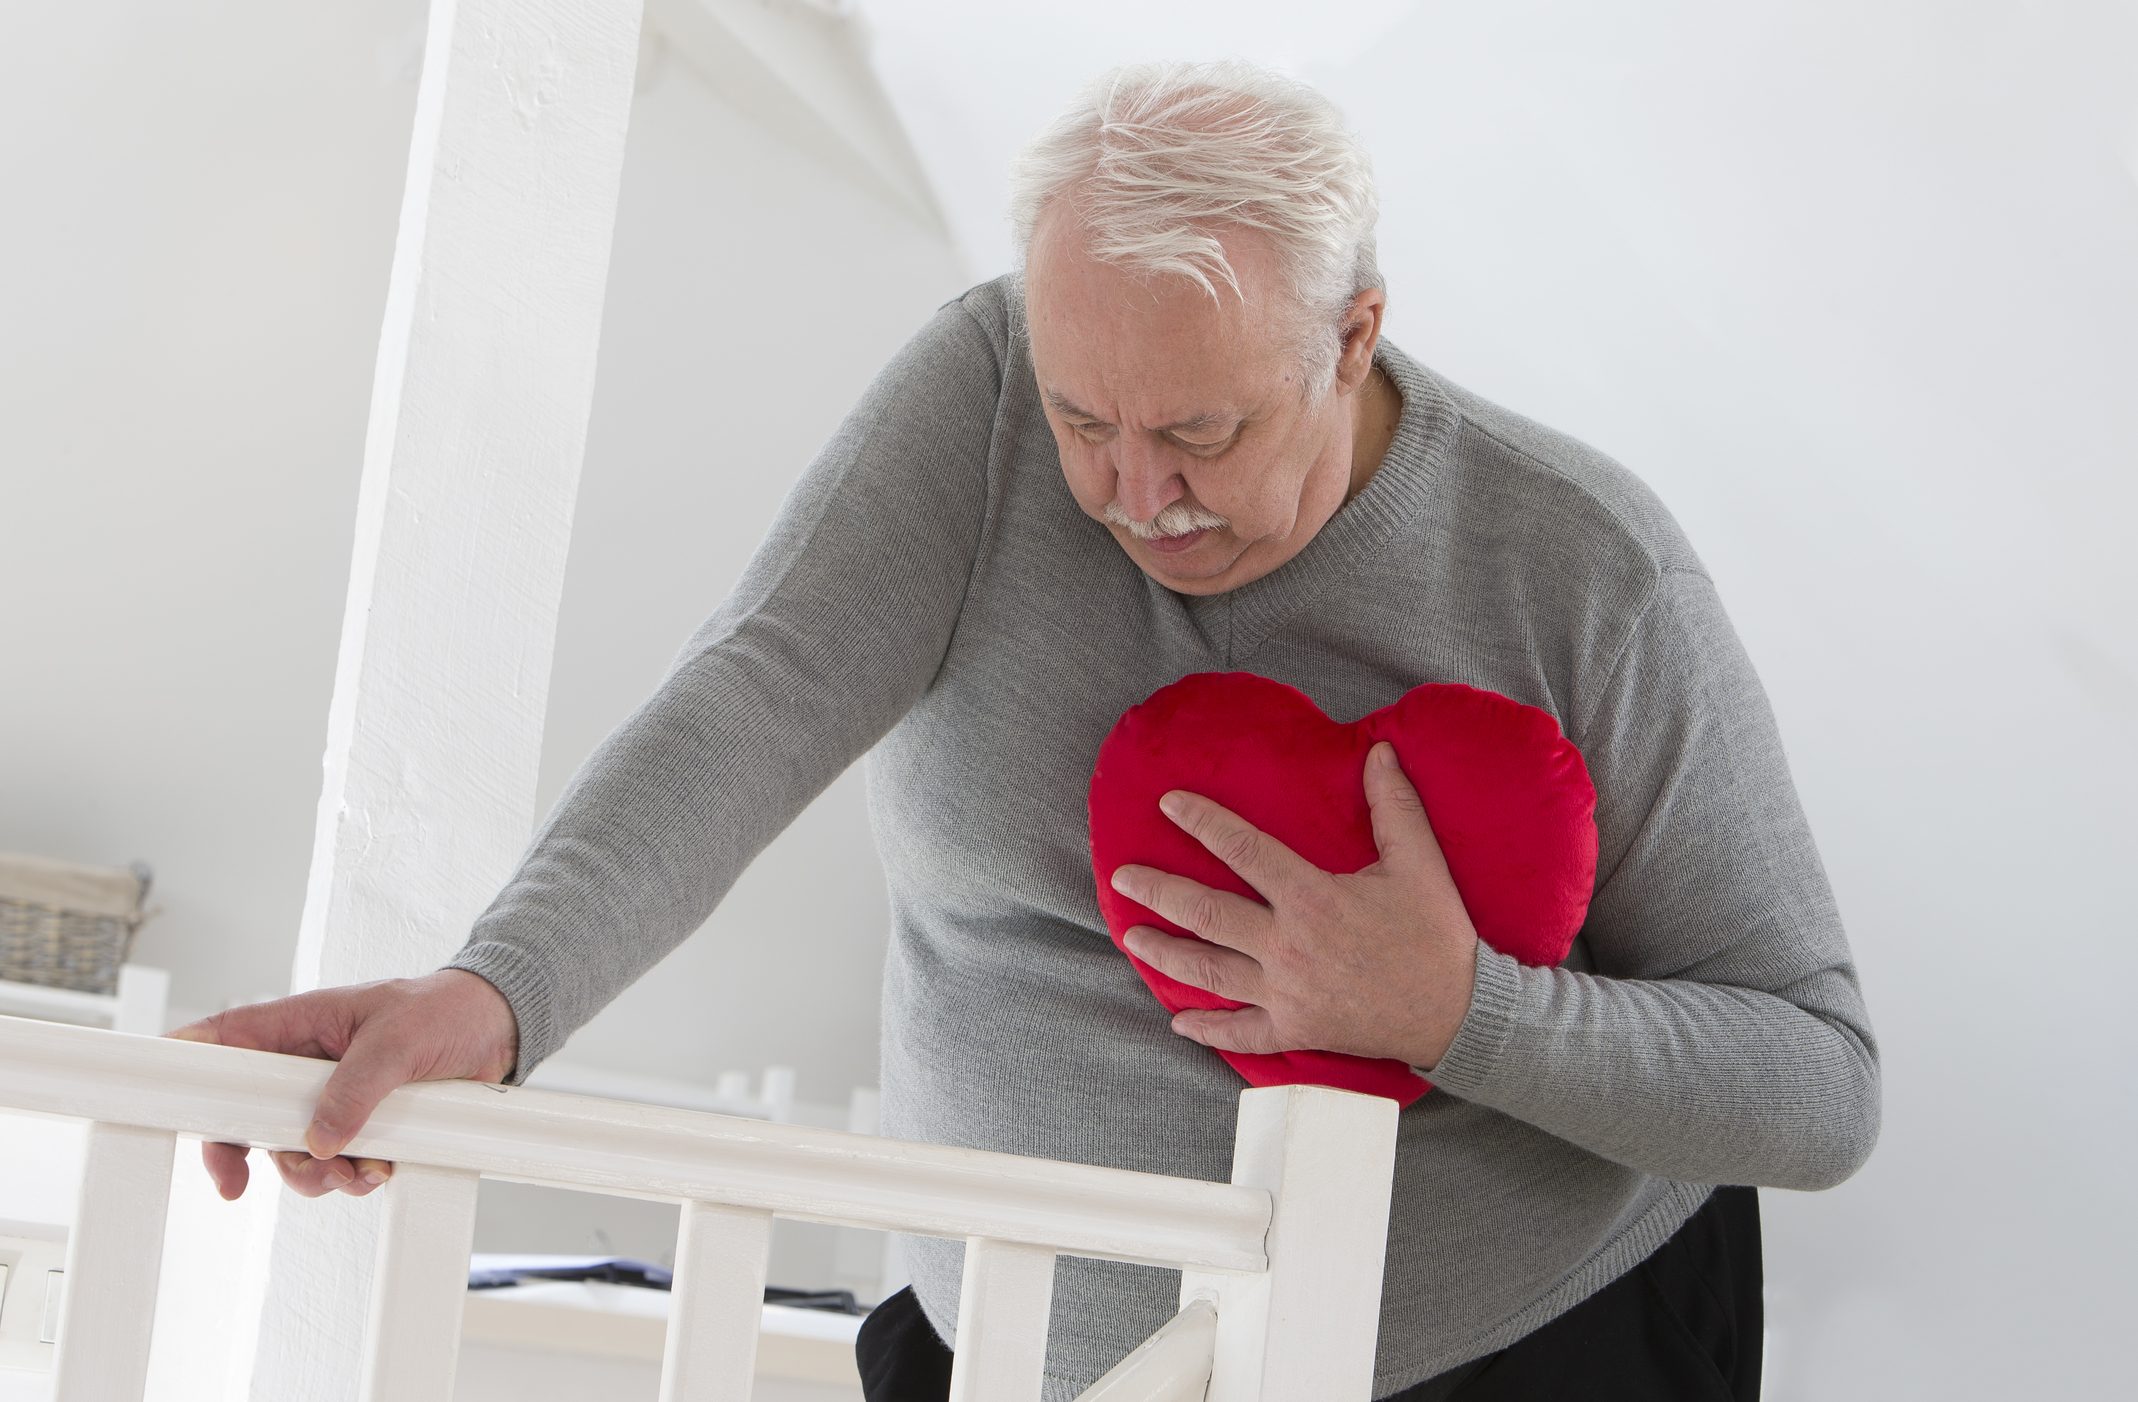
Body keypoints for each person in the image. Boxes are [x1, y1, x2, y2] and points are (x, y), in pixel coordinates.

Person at [176, 61, 1879, 1401]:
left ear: (1352, 333)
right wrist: (499, 990)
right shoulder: (982, 392)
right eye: (1088, 418)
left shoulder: (1588, 568)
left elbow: (1818, 1089)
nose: (1136, 496)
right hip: (1000, 1337)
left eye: (1200, 431)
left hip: (1518, 1341)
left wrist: (1455, 1010)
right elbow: (754, 697)